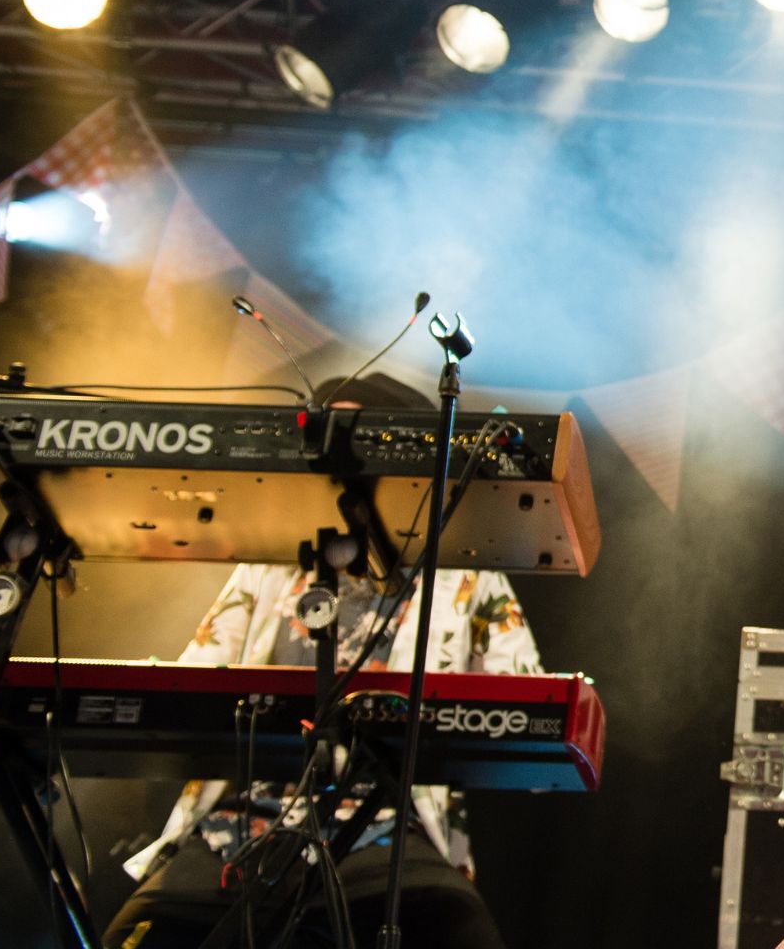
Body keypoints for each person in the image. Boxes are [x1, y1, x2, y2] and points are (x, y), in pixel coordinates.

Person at [105, 377, 540, 949]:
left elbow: (526, 707)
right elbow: (195, 686)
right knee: (136, 937)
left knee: (459, 933)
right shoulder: (269, 564)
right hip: (236, 825)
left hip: (389, 826)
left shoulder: (461, 571)